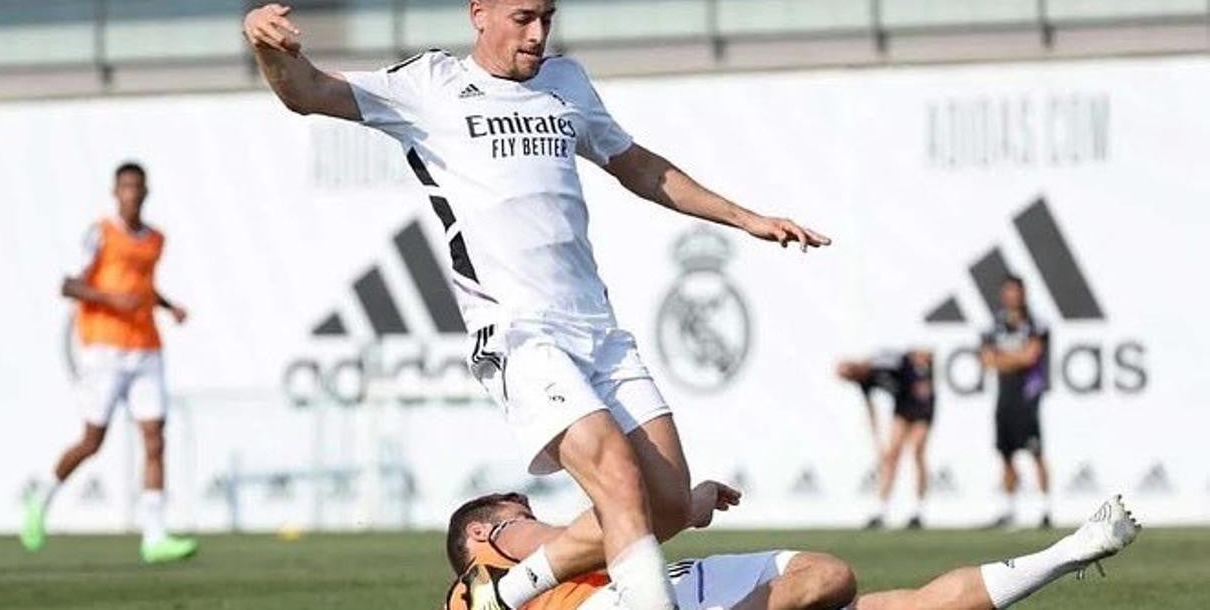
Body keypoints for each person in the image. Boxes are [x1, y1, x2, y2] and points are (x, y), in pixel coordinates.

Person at [243, 0, 830, 610]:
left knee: (665, 504)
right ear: (478, 14)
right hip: (517, 331)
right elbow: (308, 91)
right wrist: (264, 44)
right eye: (522, 17)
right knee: (615, 473)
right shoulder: (428, 85)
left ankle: (500, 595)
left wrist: (745, 217)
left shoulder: (567, 82)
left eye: (546, 15)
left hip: (596, 327)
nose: (538, 32)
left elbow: (637, 165)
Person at [444, 485, 1140, 610]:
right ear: (480, 532)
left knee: (854, 589)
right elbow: (592, 533)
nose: (523, 516)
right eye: (513, 511)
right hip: (657, 598)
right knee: (832, 577)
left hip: (684, 588)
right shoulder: (488, 562)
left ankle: (1072, 550)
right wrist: (677, 504)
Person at [20, 162, 198, 564]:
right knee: (92, 441)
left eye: (137, 187)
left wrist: (169, 307)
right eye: (125, 187)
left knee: (155, 437)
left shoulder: (155, 240)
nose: (131, 194)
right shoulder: (100, 234)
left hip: (147, 347)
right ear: (115, 192)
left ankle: (154, 537)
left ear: (146, 192)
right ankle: (41, 498)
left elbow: (144, 287)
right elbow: (69, 284)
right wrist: (111, 299)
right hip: (105, 349)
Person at [980, 276, 1051, 529]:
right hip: (1005, 396)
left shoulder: (1035, 323)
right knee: (1006, 453)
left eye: (1016, 291)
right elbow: (987, 359)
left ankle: (1045, 509)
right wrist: (1015, 359)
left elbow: (1031, 356)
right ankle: (1009, 509)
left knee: (1035, 451)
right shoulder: (994, 326)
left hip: (1028, 397)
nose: (1013, 296)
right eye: (1008, 291)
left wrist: (1005, 359)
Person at [835, 349, 935, 530]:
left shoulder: (881, 361)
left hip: (921, 404)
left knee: (917, 451)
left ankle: (918, 511)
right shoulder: (863, 382)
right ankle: (881, 510)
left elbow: (914, 357)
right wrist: (876, 441)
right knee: (891, 456)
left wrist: (924, 380)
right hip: (902, 407)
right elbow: (871, 411)